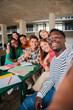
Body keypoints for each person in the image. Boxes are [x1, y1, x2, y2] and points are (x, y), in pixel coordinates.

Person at [19, 28, 73, 110]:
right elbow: (51, 80)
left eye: (57, 37)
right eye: (50, 39)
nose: (53, 40)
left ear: (64, 39)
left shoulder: (70, 54)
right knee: (27, 102)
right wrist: (40, 95)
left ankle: (33, 89)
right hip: (56, 89)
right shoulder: (54, 60)